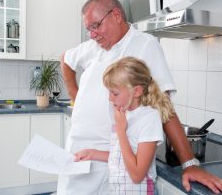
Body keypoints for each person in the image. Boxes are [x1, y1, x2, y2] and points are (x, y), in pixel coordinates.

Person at [58, 0, 222, 195]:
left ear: (116, 15)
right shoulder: (93, 47)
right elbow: (65, 59)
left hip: (108, 161)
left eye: (96, 26)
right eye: (89, 29)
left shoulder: (145, 45)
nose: (93, 34)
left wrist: (190, 163)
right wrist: (75, 96)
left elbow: (163, 106)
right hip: (78, 151)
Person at [74, 56, 174, 194]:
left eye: (114, 93)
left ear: (137, 91)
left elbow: (137, 175)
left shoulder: (149, 118)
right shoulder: (125, 113)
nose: (110, 98)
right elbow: (120, 156)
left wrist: (121, 130)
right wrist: (92, 153)